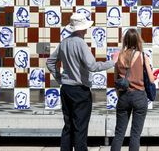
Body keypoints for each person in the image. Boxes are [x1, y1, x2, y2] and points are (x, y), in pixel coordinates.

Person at [47, 13, 117, 151]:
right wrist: (112, 62)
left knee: (68, 126)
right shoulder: (81, 44)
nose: (86, 30)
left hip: (66, 89)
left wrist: (60, 78)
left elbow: (50, 62)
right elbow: (92, 66)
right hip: (80, 90)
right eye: (85, 27)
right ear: (82, 28)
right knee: (80, 128)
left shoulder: (64, 42)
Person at [111, 28, 155, 151]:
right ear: (138, 40)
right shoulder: (142, 56)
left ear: (125, 40)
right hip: (139, 97)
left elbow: (116, 81)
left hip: (124, 96)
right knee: (135, 135)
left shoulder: (118, 56)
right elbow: (151, 80)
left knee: (119, 134)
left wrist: (119, 96)